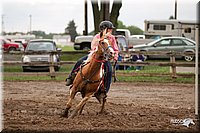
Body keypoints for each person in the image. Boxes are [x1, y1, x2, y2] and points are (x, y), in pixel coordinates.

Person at [65, 20, 119, 93]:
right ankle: (71, 77)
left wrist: (115, 57)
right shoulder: (97, 37)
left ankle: (105, 90)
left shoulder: (112, 38)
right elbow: (93, 47)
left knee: (109, 71)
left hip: (106, 58)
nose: (111, 30)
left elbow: (115, 49)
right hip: (94, 56)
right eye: (110, 29)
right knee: (80, 61)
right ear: (104, 29)